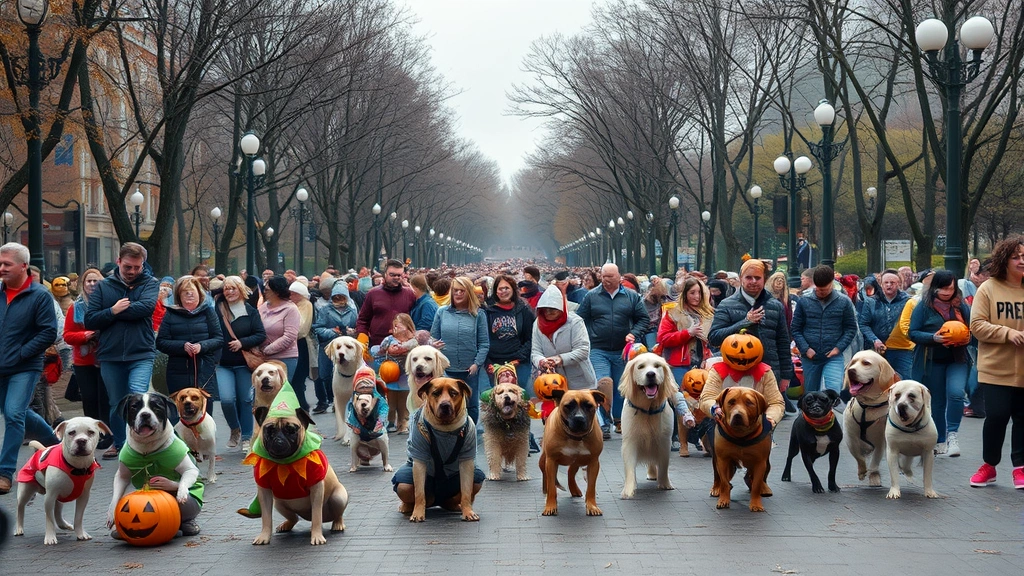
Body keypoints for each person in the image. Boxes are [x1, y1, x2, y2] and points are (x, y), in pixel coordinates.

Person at [85, 242, 159, 454]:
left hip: (141, 351)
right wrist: (112, 310)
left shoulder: (150, 283)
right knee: (117, 402)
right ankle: (120, 444)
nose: (133, 271)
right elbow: (90, 320)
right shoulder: (104, 286)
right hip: (111, 353)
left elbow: (145, 308)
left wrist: (113, 313)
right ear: (119, 261)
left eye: (138, 267)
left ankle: (142, 441)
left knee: (137, 396)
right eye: (128, 267)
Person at [0, 242, 59, 494]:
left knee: (13, 415)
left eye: (6, 264)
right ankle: (54, 444)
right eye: (0, 263)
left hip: (25, 366)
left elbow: (48, 332)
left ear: (23, 266)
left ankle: (4, 473)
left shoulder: (40, 296)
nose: (1, 268)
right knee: (18, 412)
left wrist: (22, 353)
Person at [967, 236, 1024, 488]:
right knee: (998, 416)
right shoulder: (988, 288)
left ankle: (1020, 468)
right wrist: (1007, 333)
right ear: (1005, 260)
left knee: (1023, 419)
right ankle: (989, 465)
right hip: (995, 369)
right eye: (1016, 257)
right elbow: (976, 326)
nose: (1021, 261)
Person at [575, 263, 650, 436]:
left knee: (620, 388)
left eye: (610, 276)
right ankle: (603, 422)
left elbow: (643, 319)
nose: (606, 280)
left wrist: (634, 333)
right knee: (603, 384)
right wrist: (588, 335)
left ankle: (618, 419)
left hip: (623, 350)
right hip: (598, 349)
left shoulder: (632, 297)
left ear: (619, 277)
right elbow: (579, 319)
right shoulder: (591, 296)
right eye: (604, 276)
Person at [708, 258, 794, 407]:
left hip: (769, 373)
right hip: (735, 375)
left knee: (768, 420)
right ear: (741, 279)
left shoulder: (775, 306)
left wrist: (786, 376)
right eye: (748, 277)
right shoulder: (727, 304)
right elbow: (714, 338)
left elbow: (783, 342)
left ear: (764, 279)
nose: (753, 281)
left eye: (757, 278)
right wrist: (745, 322)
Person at [909, 270, 971, 457]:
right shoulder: (923, 306)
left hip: (957, 358)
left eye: (950, 288)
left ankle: (953, 436)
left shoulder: (961, 306)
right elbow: (912, 333)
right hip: (932, 360)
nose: (946, 292)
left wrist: (968, 337)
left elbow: (973, 329)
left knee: (956, 393)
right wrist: (934, 338)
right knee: (937, 403)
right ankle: (940, 440)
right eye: (942, 288)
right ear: (935, 287)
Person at [63, 267, 113, 457]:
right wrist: (86, 335)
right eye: (88, 281)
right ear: (83, 284)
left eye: (96, 281)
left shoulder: (109, 304)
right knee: (90, 398)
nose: (92, 284)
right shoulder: (75, 307)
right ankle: (92, 433)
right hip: (84, 360)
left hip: (107, 357)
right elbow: (67, 335)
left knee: (105, 398)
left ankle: (107, 434)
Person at [215, 275, 266, 452]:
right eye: (226, 288)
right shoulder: (218, 309)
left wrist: (242, 343)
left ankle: (246, 438)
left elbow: (260, 334)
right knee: (227, 399)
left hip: (244, 363)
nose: (229, 291)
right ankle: (234, 429)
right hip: (223, 363)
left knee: (245, 400)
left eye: (233, 288)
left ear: (241, 290)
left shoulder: (251, 311)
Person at [430, 276, 489, 427]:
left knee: (470, 404)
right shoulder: (442, 312)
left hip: (469, 369)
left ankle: (469, 432)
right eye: (455, 290)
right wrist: (433, 344)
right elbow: (432, 337)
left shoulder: (478, 315)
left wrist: (477, 364)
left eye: (462, 291)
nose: (458, 294)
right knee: (446, 402)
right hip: (446, 369)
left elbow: (484, 343)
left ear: (468, 292)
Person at [791, 265, 858, 394]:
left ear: (831, 284)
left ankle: (830, 411)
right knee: (810, 393)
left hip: (833, 354)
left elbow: (850, 328)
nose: (821, 292)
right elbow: (795, 328)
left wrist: (838, 348)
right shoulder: (804, 301)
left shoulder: (844, 302)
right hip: (810, 355)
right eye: (819, 289)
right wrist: (805, 349)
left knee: (833, 391)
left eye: (825, 289)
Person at [156, 276, 223, 398]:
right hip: (178, 370)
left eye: (193, 292)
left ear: (199, 294)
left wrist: (201, 346)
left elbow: (218, 339)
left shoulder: (208, 312)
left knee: (204, 410)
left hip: (204, 369)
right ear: (179, 296)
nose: (189, 294)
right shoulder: (170, 314)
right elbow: (161, 342)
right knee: (180, 408)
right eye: (185, 292)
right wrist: (182, 346)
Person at [531, 285, 596, 392]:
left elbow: (583, 350)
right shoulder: (537, 324)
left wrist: (560, 359)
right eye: (545, 309)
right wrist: (542, 361)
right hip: (552, 382)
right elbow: (535, 351)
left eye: (553, 309)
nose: (549, 312)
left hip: (580, 382)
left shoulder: (575, 322)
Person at [311, 281, 358, 414]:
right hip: (328, 346)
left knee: (345, 373)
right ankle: (331, 398)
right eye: (336, 297)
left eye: (341, 297)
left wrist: (352, 332)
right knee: (325, 374)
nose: (339, 300)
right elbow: (317, 328)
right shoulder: (325, 310)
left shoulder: (353, 311)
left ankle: (345, 399)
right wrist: (332, 331)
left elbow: (357, 327)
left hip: (346, 348)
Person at [657, 278, 713, 384]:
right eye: (692, 293)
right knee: (681, 397)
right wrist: (688, 333)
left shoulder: (708, 315)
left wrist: (707, 357)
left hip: (703, 364)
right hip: (679, 365)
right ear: (685, 294)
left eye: (700, 293)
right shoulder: (673, 313)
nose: (697, 296)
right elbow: (663, 339)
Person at [859, 271, 913, 378]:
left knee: (905, 380)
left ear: (899, 284)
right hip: (877, 348)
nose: (889, 285)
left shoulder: (908, 301)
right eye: (886, 282)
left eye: (892, 282)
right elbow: (864, 324)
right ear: (881, 284)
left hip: (902, 349)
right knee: (876, 381)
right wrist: (874, 340)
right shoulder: (871, 301)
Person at [484, 274, 535, 388]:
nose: (503, 291)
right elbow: (483, 340)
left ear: (513, 290)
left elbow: (530, 338)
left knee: (519, 396)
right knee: (499, 396)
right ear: (495, 292)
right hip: (495, 364)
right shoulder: (488, 312)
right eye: (500, 289)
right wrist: (488, 363)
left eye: (506, 288)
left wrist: (519, 358)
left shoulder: (524, 310)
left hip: (519, 363)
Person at [373, 313, 418, 433]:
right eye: (394, 326)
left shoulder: (413, 341)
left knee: (404, 401)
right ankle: (391, 422)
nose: (395, 328)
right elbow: (379, 351)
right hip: (391, 374)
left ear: (408, 326)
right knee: (391, 401)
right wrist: (387, 349)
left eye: (398, 326)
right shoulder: (389, 339)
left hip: (405, 374)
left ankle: (404, 423)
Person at [356, 259, 416, 349]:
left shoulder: (410, 294)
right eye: (392, 275)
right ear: (385, 274)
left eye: (399, 275)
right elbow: (363, 320)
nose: (396, 278)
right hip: (377, 345)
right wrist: (362, 338)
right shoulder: (373, 294)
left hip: (402, 346)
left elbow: (416, 320)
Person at [259, 276, 301, 390]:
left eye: (267, 289)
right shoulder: (263, 307)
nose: (264, 292)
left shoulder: (291, 309)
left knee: (280, 392)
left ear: (276, 291)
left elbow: (290, 336)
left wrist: (267, 350)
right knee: (264, 393)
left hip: (285, 358)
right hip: (262, 358)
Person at [289, 280, 315, 410]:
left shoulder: (306, 305)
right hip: (292, 343)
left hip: (300, 344)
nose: (291, 296)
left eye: (293, 294)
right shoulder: (292, 305)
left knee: (298, 378)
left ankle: (302, 405)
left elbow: (302, 328)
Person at [642, 277, 674, 349]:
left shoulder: (665, 298)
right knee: (654, 350)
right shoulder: (650, 299)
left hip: (659, 329)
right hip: (651, 329)